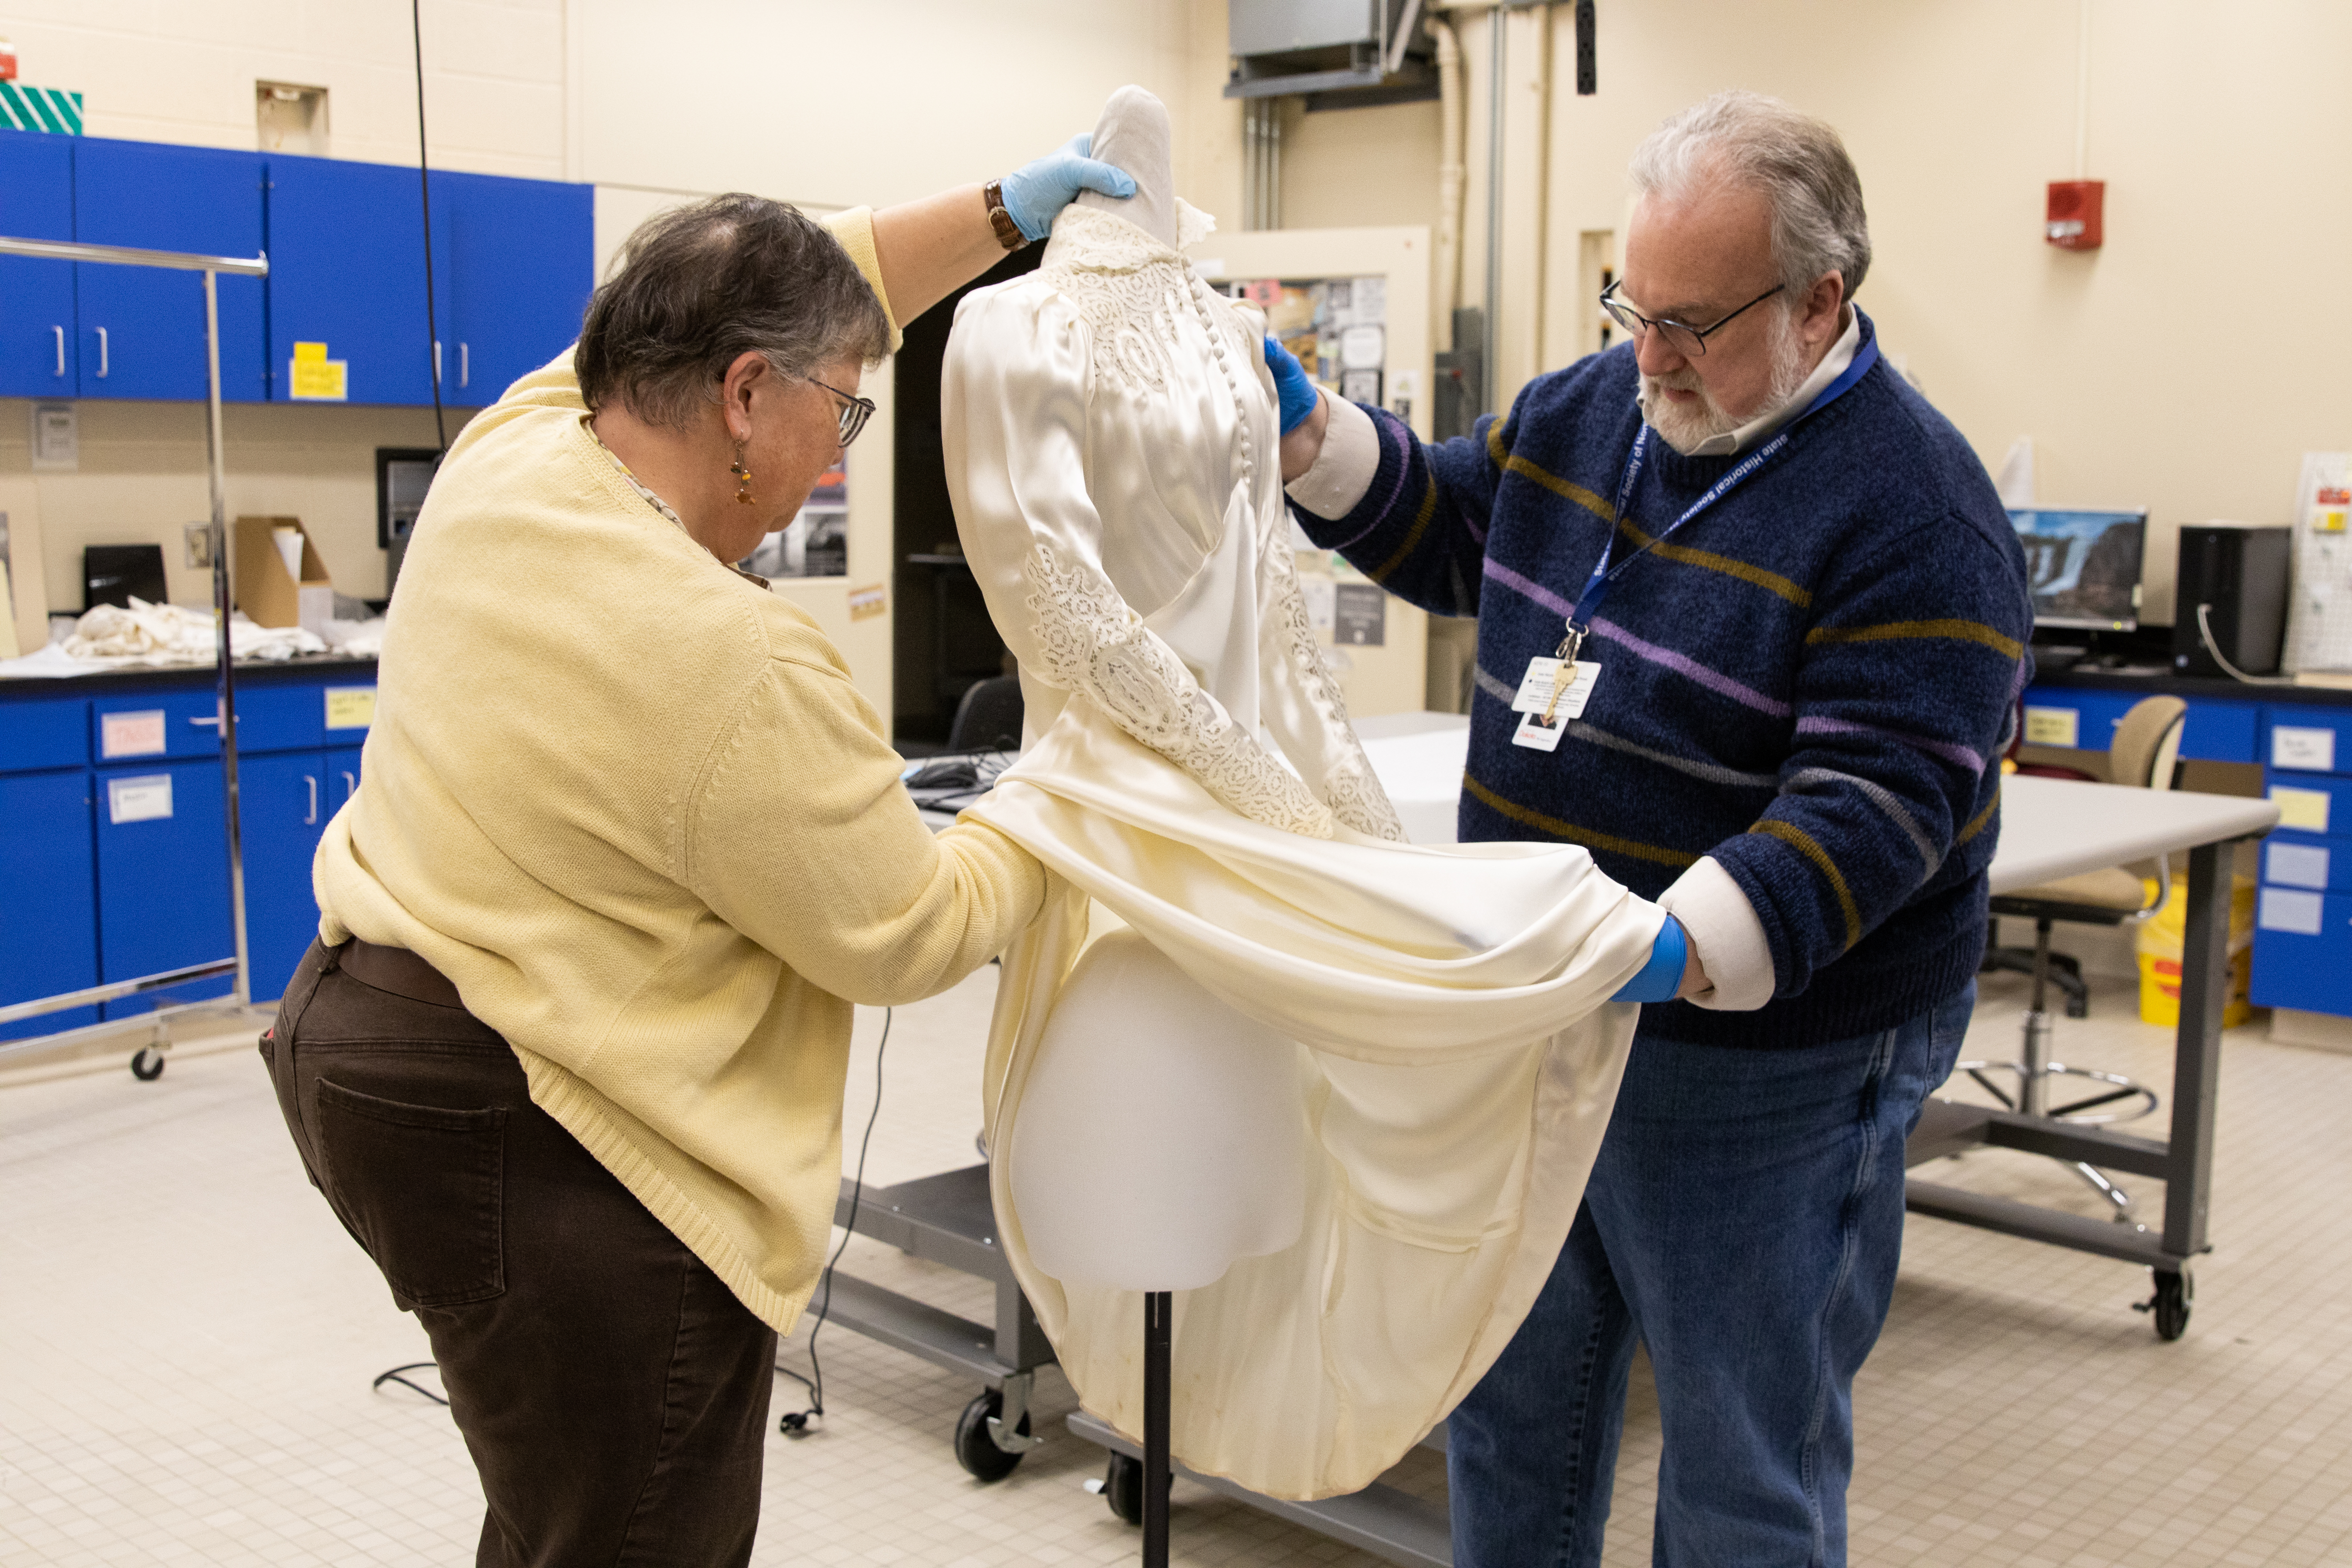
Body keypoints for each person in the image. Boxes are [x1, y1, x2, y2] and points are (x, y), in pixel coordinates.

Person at [259, 141, 1132, 1567]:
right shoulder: (731, 660)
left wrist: (996, 216)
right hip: (543, 1135)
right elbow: (907, 929)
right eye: (843, 412)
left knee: (560, 1498)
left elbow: (799, 280)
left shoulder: (523, 446)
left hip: (363, 1052)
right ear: (743, 394)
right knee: (638, 1521)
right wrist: (1065, 802)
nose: (837, 449)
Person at [1269, 91, 2030, 1565]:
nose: (1650, 355)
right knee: (1510, 1407)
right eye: (1633, 304)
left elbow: (1880, 804)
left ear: (1822, 301)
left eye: (1694, 323)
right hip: (1553, 1021)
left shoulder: (1916, 513)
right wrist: (1315, 440)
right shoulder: (1596, 407)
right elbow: (1457, 526)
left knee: (1743, 1459)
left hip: (1770, 1066)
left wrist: (1674, 943)